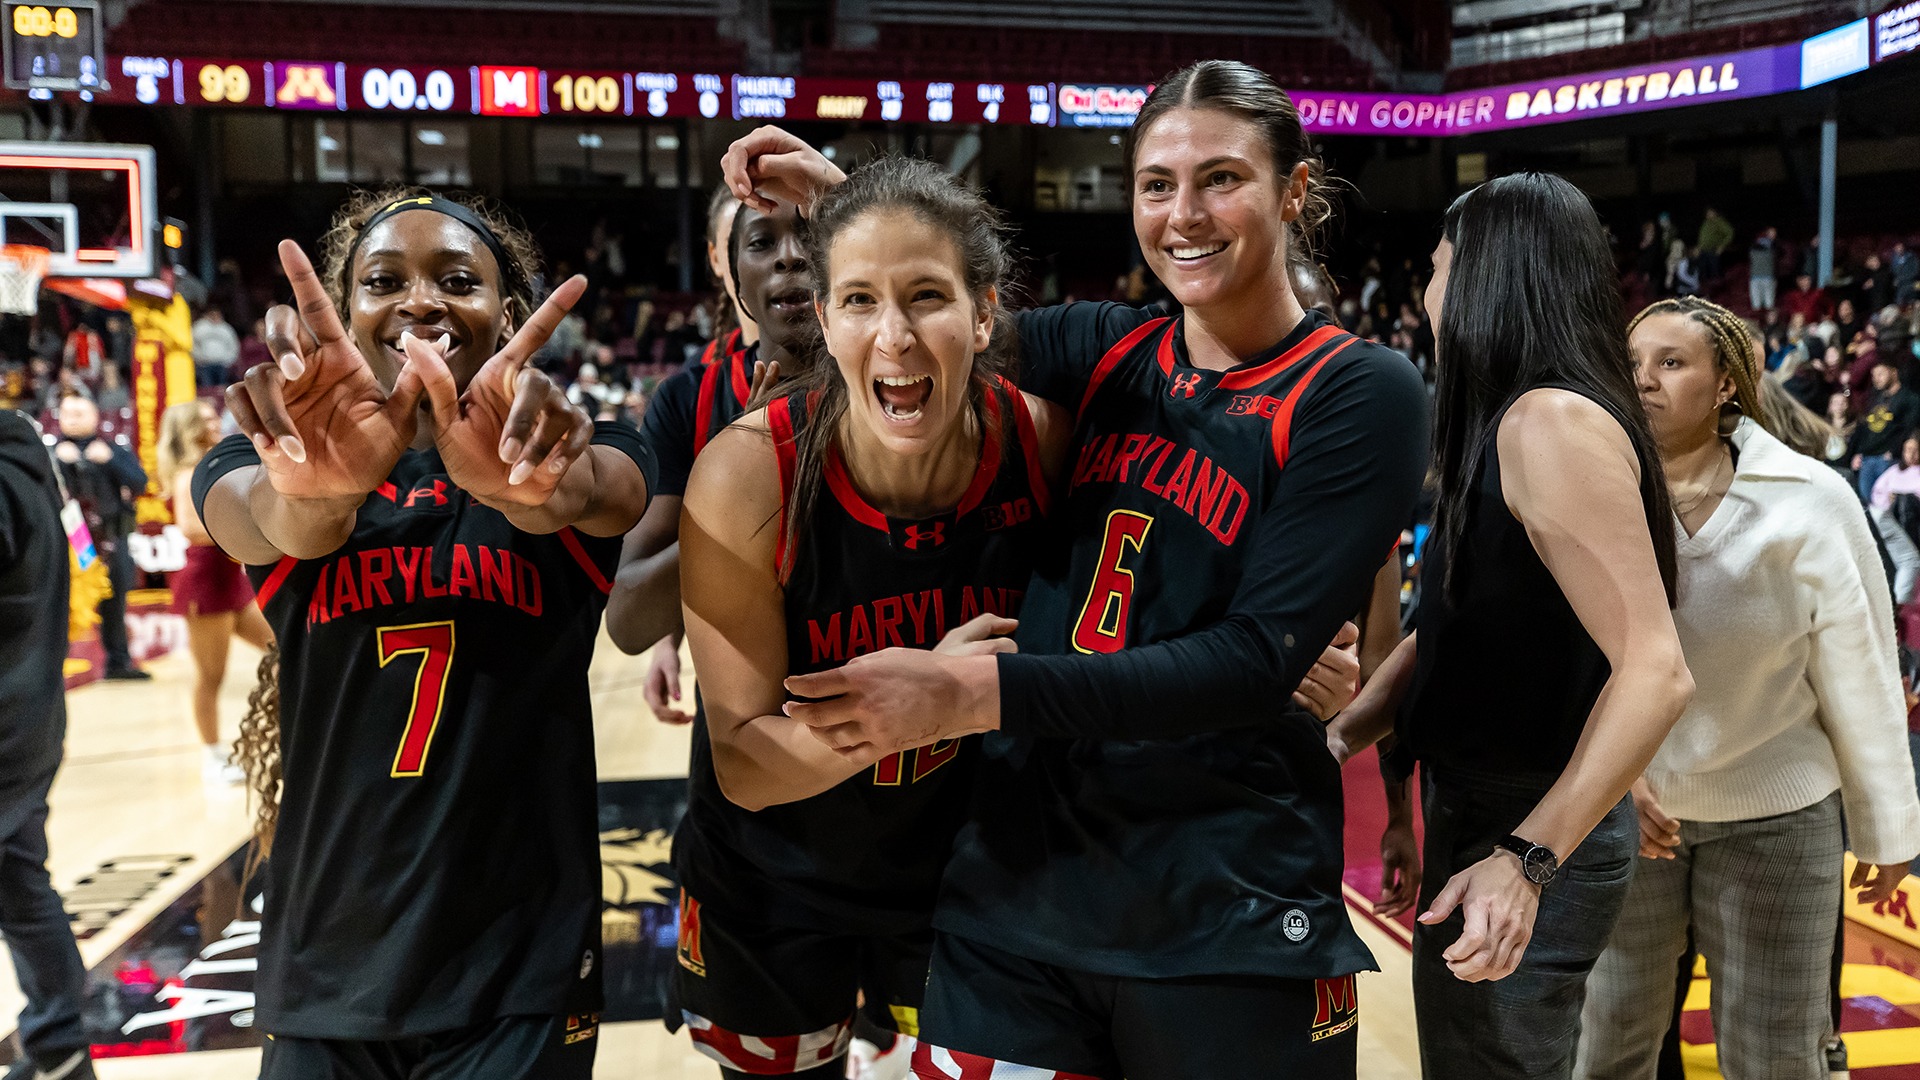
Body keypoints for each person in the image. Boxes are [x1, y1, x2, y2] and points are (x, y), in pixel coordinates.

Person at [725, 57, 1428, 1078]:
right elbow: (933, 312)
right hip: (1020, 900)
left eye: (1220, 178)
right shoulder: (1107, 347)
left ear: (1295, 191)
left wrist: (973, 693)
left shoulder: (1359, 390)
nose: (1183, 214)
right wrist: (844, 198)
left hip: (1219, 903)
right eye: (1156, 184)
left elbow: (1248, 664)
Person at [192, 188, 653, 1080]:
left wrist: (532, 486)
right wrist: (319, 491)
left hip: (518, 975)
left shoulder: (569, 444)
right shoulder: (269, 463)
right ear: (348, 310)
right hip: (329, 963)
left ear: (509, 314)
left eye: (456, 279)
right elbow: (274, 524)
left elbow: (602, 494)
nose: (421, 300)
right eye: (383, 280)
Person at [671, 155, 1065, 1080]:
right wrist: (929, 697)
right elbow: (747, 764)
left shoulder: (1041, 440)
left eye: (926, 296)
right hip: (770, 881)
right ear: (826, 317)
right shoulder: (745, 474)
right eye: (856, 301)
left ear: (984, 311)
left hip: (964, 877)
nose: (893, 336)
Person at [1326, 173, 1694, 1080]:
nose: (1428, 291)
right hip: (1489, 806)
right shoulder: (1512, 416)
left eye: (1440, 266)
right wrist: (1338, 735)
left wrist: (1527, 859)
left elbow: (1656, 669)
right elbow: (1452, 626)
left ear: (1487, 277)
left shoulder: (1551, 422)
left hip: (1524, 820)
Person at [1576, 297, 1920, 1079]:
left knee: (1774, 1055)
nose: (1646, 381)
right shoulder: (1594, 488)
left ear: (1727, 382)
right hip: (1630, 811)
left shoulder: (1811, 498)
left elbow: (1861, 671)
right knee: (1608, 1044)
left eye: (1671, 363)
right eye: (1634, 364)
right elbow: (1567, 659)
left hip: (1778, 819)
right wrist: (1612, 777)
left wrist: (1889, 828)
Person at [604, 188, 770, 726]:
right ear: (723, 256)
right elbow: (648, 581)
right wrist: (666, 639)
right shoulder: (693, 390)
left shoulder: (857, 372)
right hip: (734, 674)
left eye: (805, 237)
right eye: (758, 239)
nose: (785, 257)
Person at [0, 410, 96, 1080]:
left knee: (21, 887)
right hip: (27, 712)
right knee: (18, 883)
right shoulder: (29, 459)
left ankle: (60, 1039)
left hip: (7, 719)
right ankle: (60, 1046)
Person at [156, 399, 273, 783]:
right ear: (189, 428)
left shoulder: (213, 464)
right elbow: (191, 529)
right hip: (204, 582)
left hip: (230, 580)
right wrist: (246, 533)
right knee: (211, 676)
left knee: (281, 647)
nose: (215, 421)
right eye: (205, 419)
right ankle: (212, 758)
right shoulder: (188, 473)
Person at [53, 392, 149, 680]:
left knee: (116, 598)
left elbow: (140, 483)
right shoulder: (51, 453)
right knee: (64, 602)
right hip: (73, 541)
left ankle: (118, 661)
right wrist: (57, 462)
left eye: (79, 413)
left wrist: (109, 461)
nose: (72, 419)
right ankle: (55, 665)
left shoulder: (112, 449)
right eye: (67, 414)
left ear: (95, 417)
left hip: (110, 536)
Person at [1849, 354, 1920, 503]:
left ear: (1893, 372)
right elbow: (1866, 428)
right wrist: (1858, 452)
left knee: (1886, 506)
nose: (1876, 378)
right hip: (1867, 458)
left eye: (1881, 373)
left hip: (1888, 459)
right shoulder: (1875, 398)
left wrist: (1894, 451)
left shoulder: (1909, 398)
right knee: (1868, 505)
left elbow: (1909, 427)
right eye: (1874, 375)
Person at [1872, 433, 1920, 605]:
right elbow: (1877, 492)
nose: (1912, 455)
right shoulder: (1893, 471)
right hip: (1890, 519)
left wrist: (1902, 497)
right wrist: (1889, 498)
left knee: (1905, 501)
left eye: (1916, 451)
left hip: (1913, 520)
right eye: (1908, 450)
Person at [191, 304, 242, 388]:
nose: (215, 316)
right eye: (213, 314)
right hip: (204, 365)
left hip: (222, 365)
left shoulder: (227, 329)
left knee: (222, 389)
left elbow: (234, 346)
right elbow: (192, 344)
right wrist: (199, 359)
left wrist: (228, 361)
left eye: (217, 314)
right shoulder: (199, 328)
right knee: (207, 388)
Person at [1697, 209, 1732, 284]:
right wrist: (1699, 247)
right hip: (1703, 250)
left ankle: (1717, 289)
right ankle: (1704, 288)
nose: (1709, 214)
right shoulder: (1706, 223)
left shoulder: (1719, 222)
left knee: (1714, 271)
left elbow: (1730, 233)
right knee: (1702, 270)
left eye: (1711, 212)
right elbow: (1702, 236)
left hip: (1713, 249)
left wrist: (1722, 246)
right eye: (1707, 213)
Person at [1749, 226, 1778, 313]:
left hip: (1763, 276)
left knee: (1760, 304)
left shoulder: (1774, 246)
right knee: (1767, 304)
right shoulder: (1772, 247)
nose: (1773, 235)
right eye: (1771, 233)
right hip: (1762, 277)